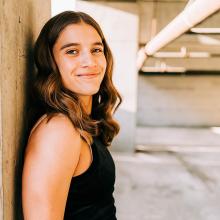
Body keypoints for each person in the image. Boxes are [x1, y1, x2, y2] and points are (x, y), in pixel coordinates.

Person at [22, 11, 121, 220]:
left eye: (96, 49)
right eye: (72, 51)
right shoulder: (58, 131)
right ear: (51, 62)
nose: (90, 61)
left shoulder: (78, 121)